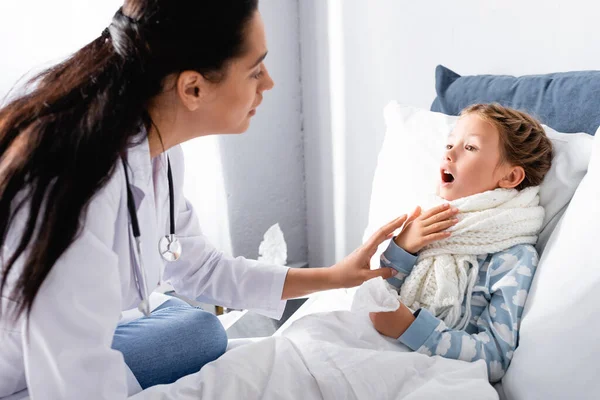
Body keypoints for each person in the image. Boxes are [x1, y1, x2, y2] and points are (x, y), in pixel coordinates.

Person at [0, 1, 416, 398]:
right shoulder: (78, 190)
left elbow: (199, 267)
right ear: (193, 87)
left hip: (60, 337)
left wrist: (334, 276)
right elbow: (78, 384)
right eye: (255, 71)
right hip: (19, 362)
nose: (269, 83)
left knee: (200, 331)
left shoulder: (157, 151)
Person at [369, 103, 553, 382]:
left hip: (436, 377)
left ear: (510, 176)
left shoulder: (514, 256)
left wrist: (411, 328)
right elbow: (376, 297)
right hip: (380, 352)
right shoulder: (425, 223)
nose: (449, 153)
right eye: (450, 143)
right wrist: (403, 248)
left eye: (470, 148)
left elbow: (495, 358)